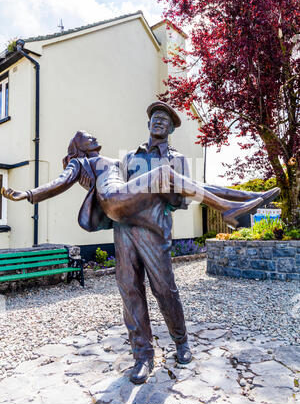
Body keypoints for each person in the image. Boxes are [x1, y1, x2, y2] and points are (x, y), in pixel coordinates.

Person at [1, 104, 279, 385]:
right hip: (124, 229)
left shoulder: (177, 159)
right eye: (155, 118)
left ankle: (181, 342)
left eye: (165, 120)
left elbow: (185, 196)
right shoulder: (128, 158)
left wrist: (161, 188)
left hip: (154, 230)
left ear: (170, 129)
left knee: (165, 291)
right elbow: (86, 181)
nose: (159, 122)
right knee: (130, 291)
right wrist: (31, 193)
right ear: (148, 124)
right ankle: (142, 356)